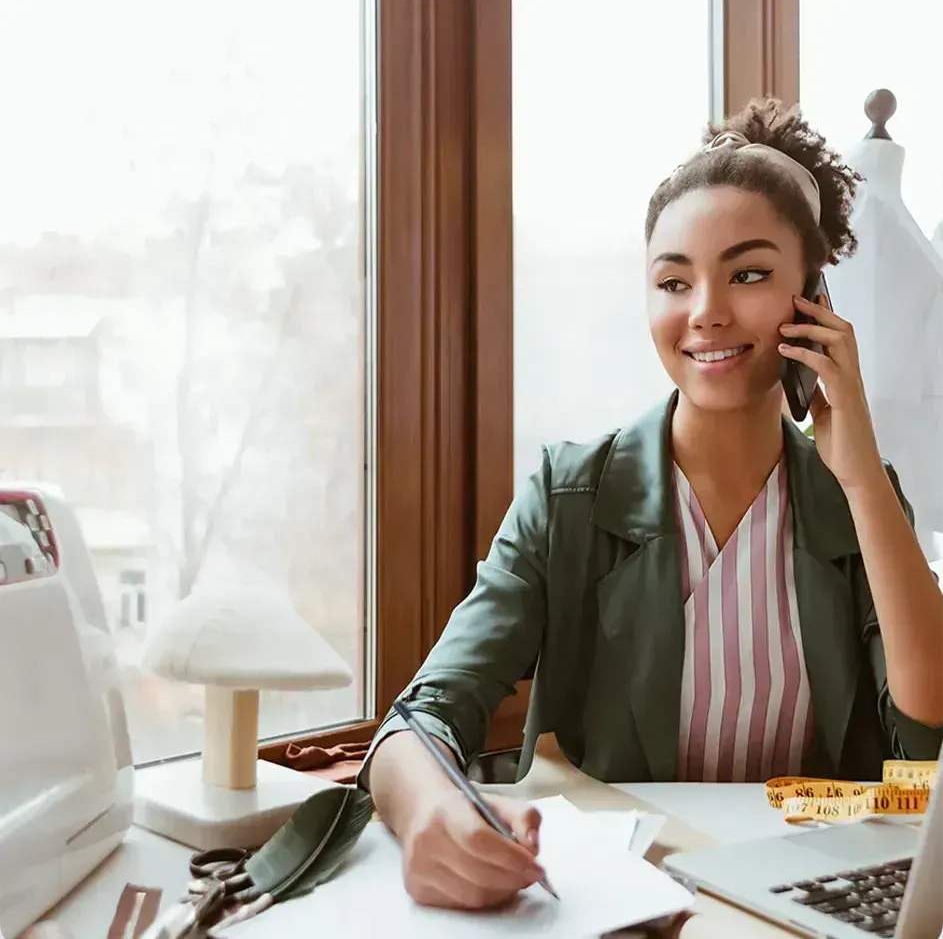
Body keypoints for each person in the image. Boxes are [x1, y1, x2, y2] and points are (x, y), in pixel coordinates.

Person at [358, 98, 943, 912]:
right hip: (620, 902)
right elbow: (421, 717)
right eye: (673, 280)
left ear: (809, 299)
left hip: (812, 897)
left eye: (746, 274)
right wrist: (430, 812)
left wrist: (861, 481)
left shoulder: (859, 497)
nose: (703, 308)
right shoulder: (568, 498)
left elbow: (927, 737)